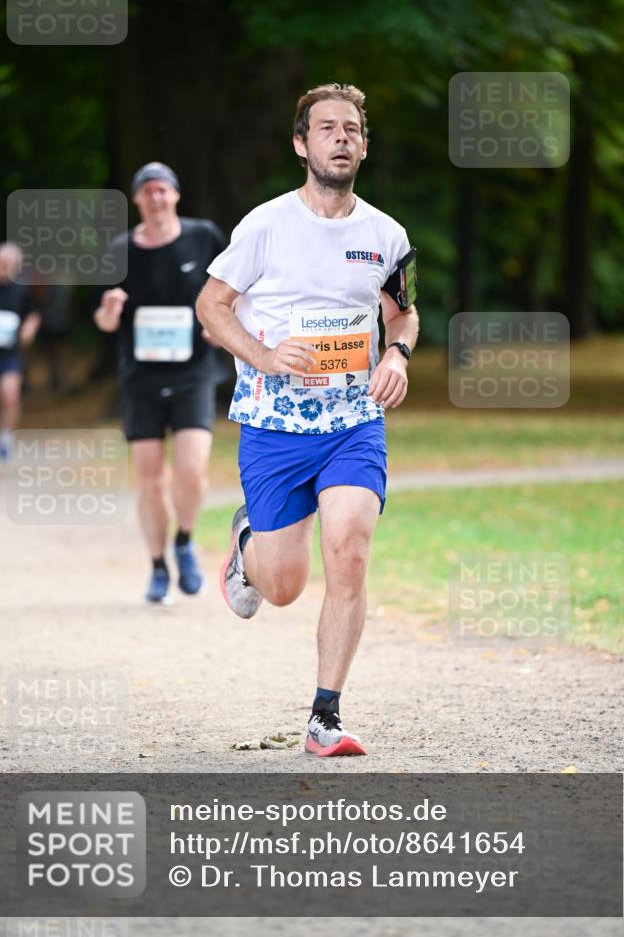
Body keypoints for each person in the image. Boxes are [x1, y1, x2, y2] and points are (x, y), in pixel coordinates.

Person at [196, 84, 419, 756]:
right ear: (302, 144)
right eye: (327, 128)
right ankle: (248, 550)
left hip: (353, 420)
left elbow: (402, 312)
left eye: (351, 128)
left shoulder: (386, 235)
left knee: (348, 552)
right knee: (285, 587)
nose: (341, 138)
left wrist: (399, 357)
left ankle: (325, 715)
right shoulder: (264, 225)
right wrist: (264, 355)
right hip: (273, 424)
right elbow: (212, 305)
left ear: (364, 144)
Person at [94, 162, 225, 606]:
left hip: (193, 372)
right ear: (136, 199)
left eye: (162, 189)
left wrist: (220, 324)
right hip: (141, 378)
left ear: (175, 195)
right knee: (149, 480)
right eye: (146, 191)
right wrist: (110, 311)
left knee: (191, 471)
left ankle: (185, 541)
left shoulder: (203, 236)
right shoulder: (119, 249)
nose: (155, 198)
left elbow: (233, 292)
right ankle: (156, 566)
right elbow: (102, 321)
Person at [0, 242, 41, 460]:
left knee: (10, 392)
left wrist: (29, 328)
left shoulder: (22, 290)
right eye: (0, 263)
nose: (3, 267)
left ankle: (6, 437)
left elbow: (33, 313)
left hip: (9, 353)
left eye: (9, 264)